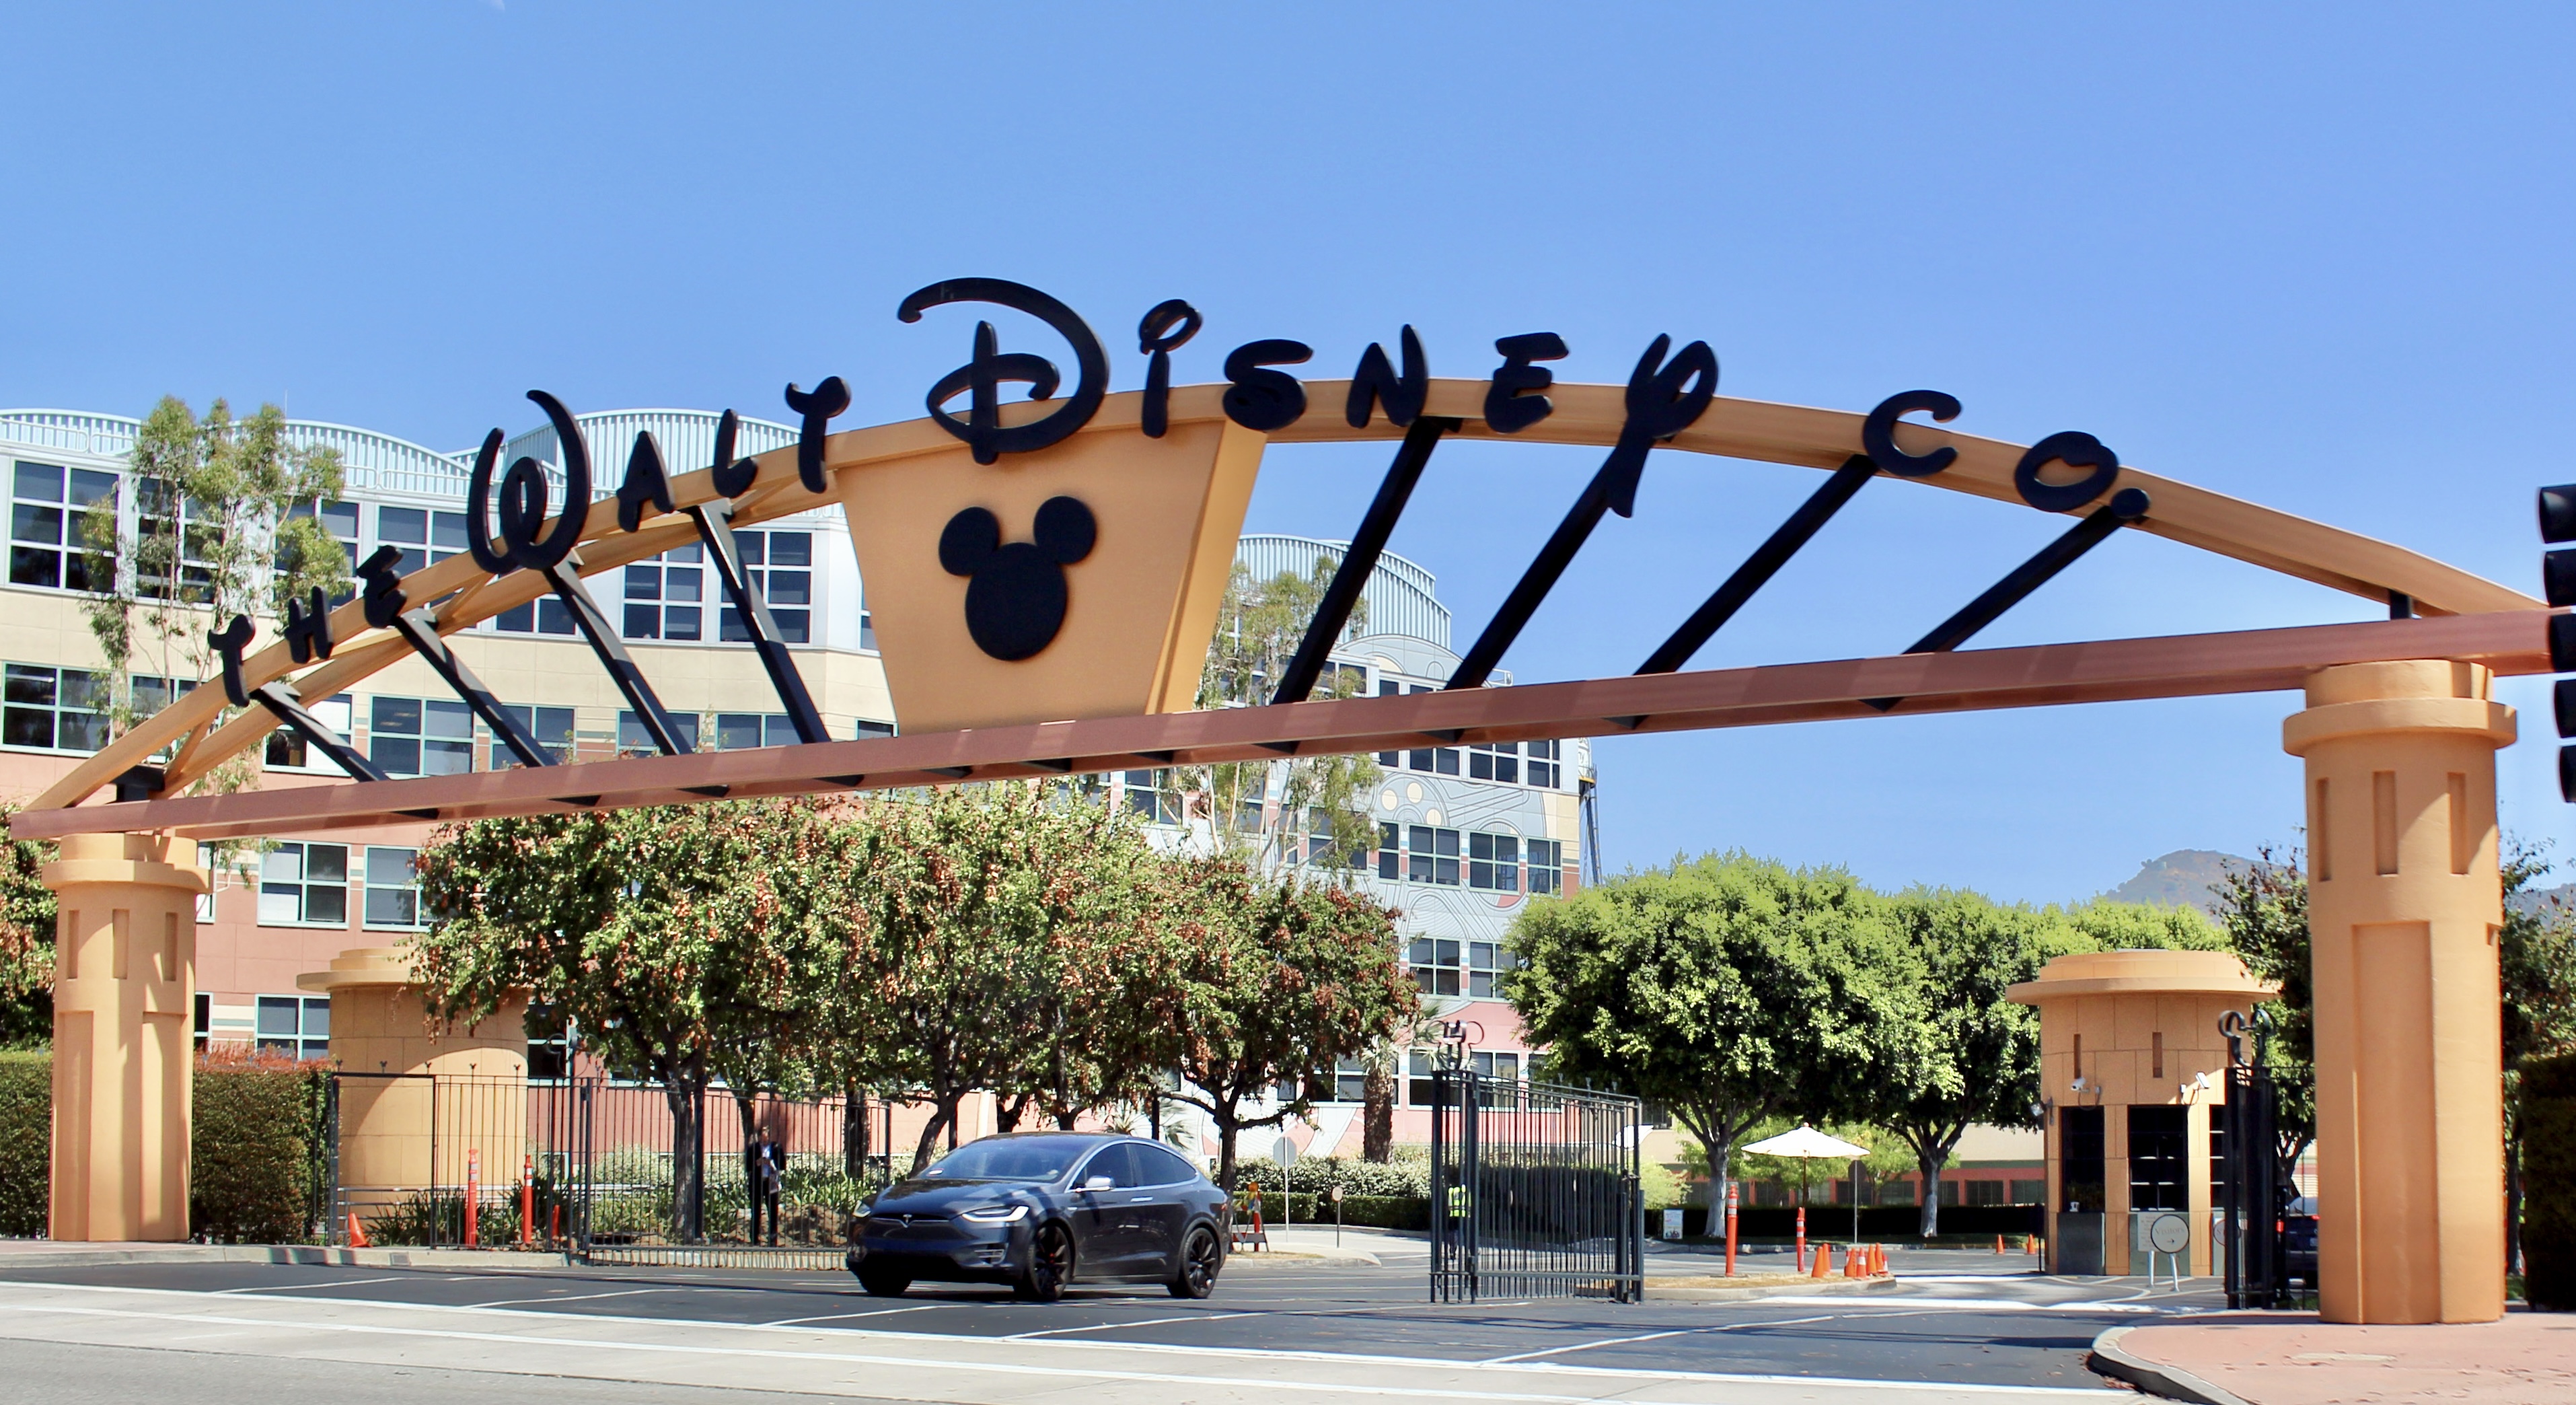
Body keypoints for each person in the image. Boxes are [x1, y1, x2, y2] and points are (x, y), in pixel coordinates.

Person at [750, 1132, 786, 1246]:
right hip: (757, 1183)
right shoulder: (754, 1148)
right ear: (759, 1136)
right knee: (756, 1210)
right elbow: (747, 1166)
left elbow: (783, 1165)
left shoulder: (776, 1147)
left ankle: (772, 1238)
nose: (765, 1138)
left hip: (771, 1182)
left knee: (773, 1211)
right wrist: (757, 1163)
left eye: (767, 1136)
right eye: (762, 1136)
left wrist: (771, 1163)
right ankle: (755, 1238)